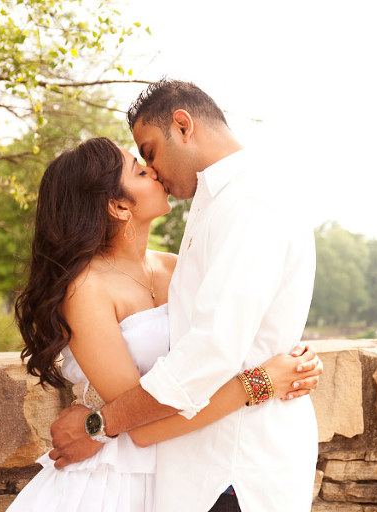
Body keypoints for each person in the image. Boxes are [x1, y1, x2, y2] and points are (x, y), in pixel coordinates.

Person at [48, 79, 320, 511]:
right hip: (190, 469)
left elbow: (212, 350)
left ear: (182, 125)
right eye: (141, 166)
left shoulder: (248, 203)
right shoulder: (216, 201)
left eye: (149, 153)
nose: (152, 169)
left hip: (234, 468)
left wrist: (98, 425)